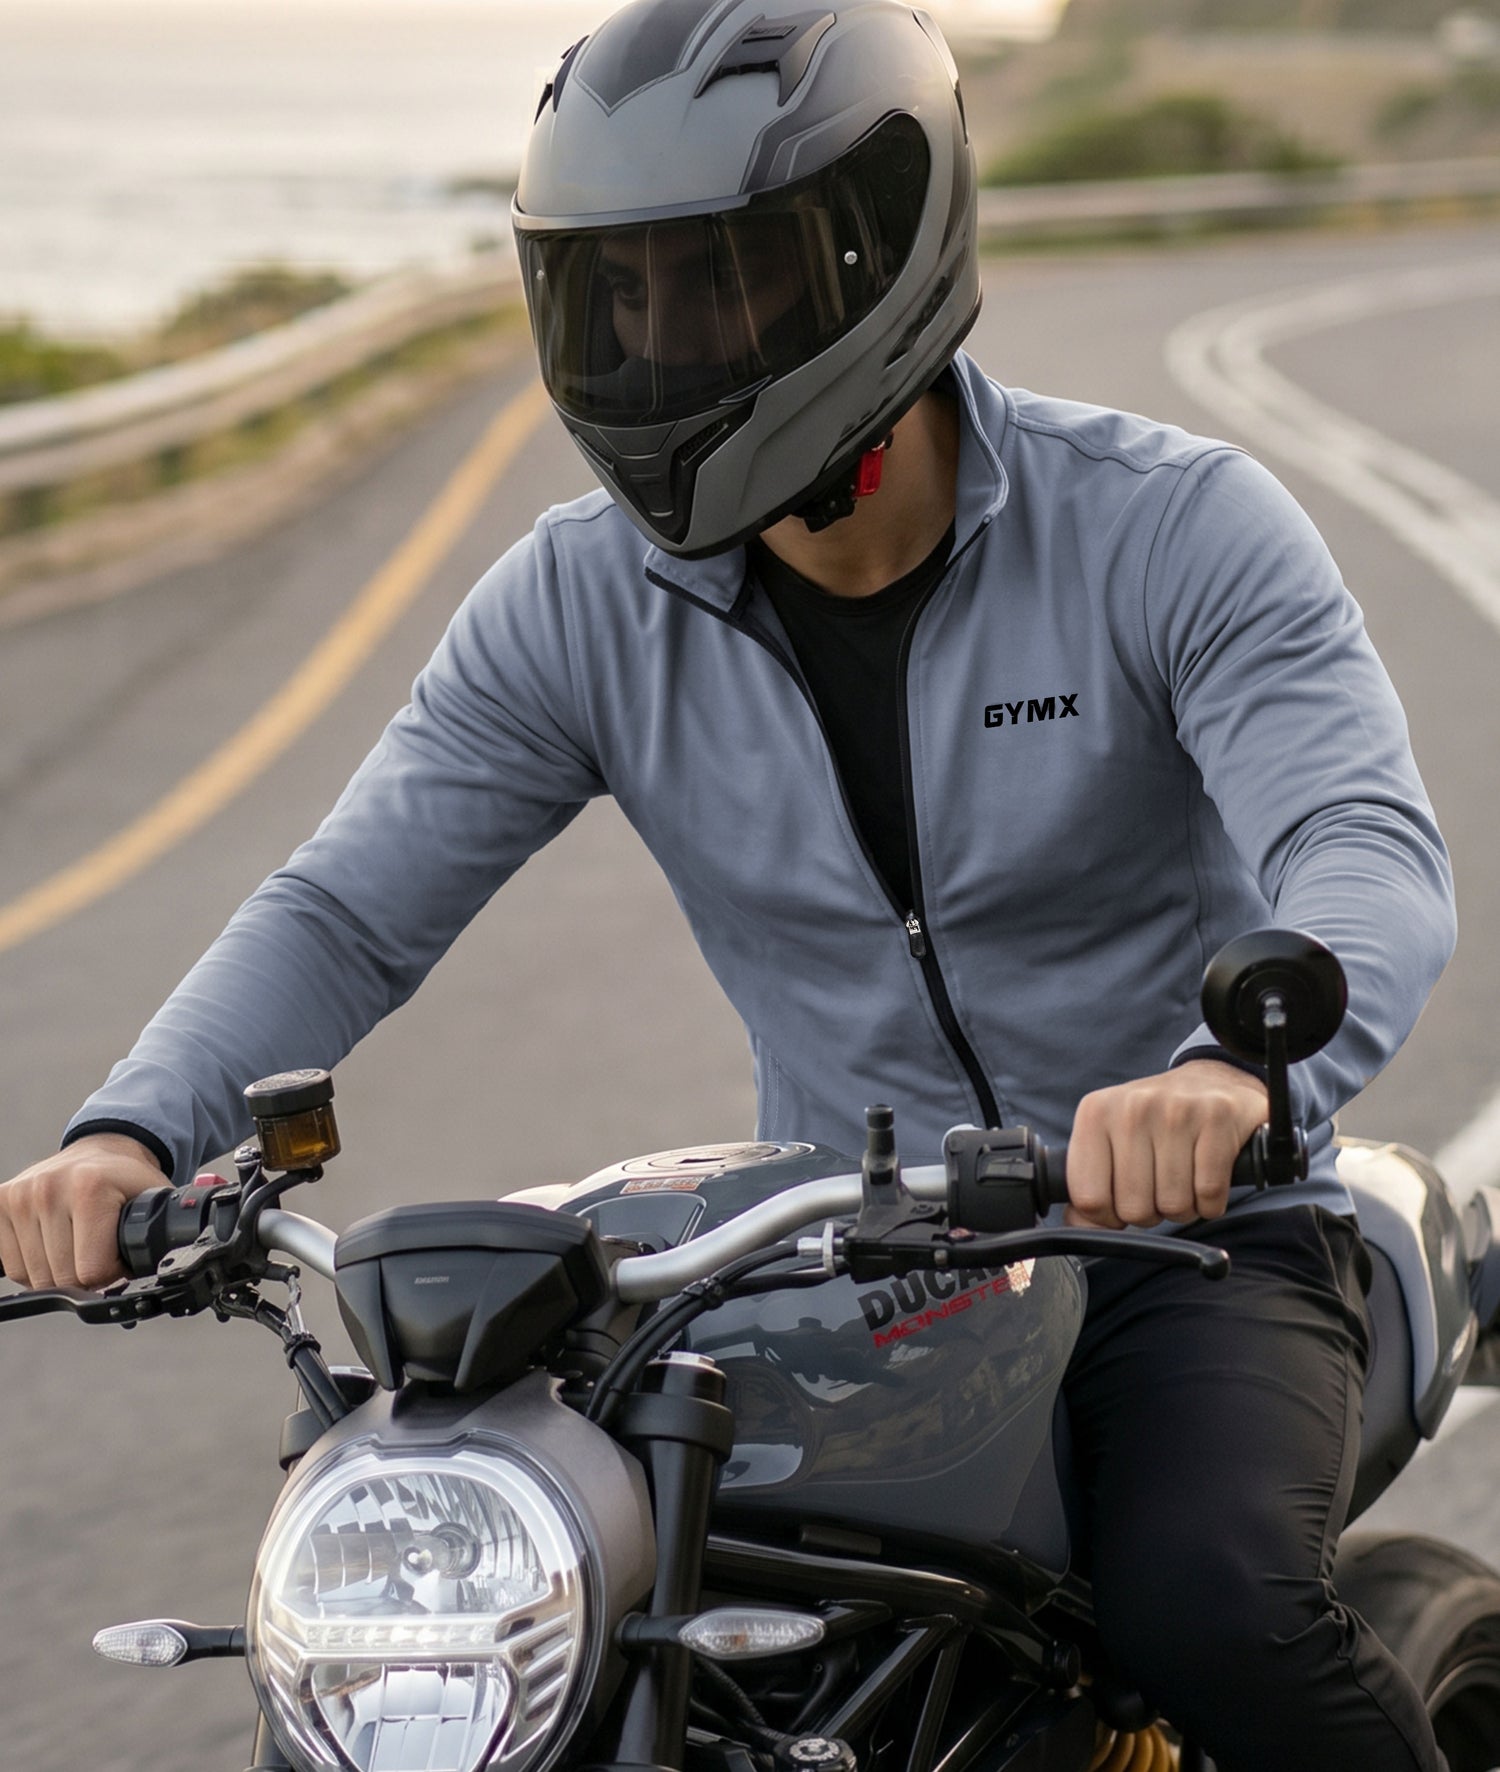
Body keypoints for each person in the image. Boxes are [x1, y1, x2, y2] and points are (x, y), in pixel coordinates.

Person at [0, 2, 1455, 1766]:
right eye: (614, 294)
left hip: (1183, 1237)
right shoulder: (576, 604)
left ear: (878, 258)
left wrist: (1231, 1078)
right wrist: (131, 1133)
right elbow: (346, 908)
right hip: (849, 1266)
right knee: (586, 1631)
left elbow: (1362, 848)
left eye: (718, 282)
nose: (658, 342)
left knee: (1211, 1605)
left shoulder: (1170, 529)